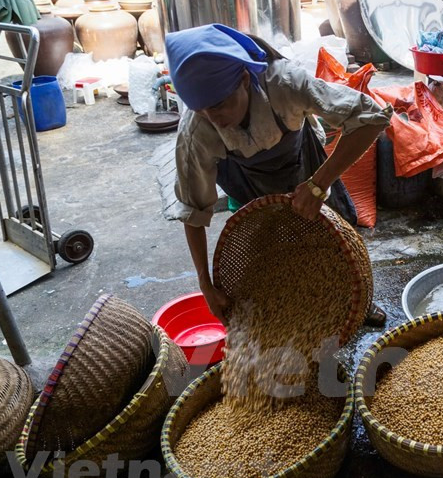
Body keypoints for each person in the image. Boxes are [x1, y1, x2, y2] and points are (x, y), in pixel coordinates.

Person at [165, 24, 391, 324]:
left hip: (301, 160)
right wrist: (205, 284)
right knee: (272, 253)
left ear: (244, 79)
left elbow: (371, 119)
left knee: (336, 239)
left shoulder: (283, 83)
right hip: (246, 180)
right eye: (202, 110)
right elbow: (192, 211)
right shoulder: (196, 130)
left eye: (220, 105)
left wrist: (318, 185)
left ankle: (358, 302)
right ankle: (295, 310)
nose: (214, 118)